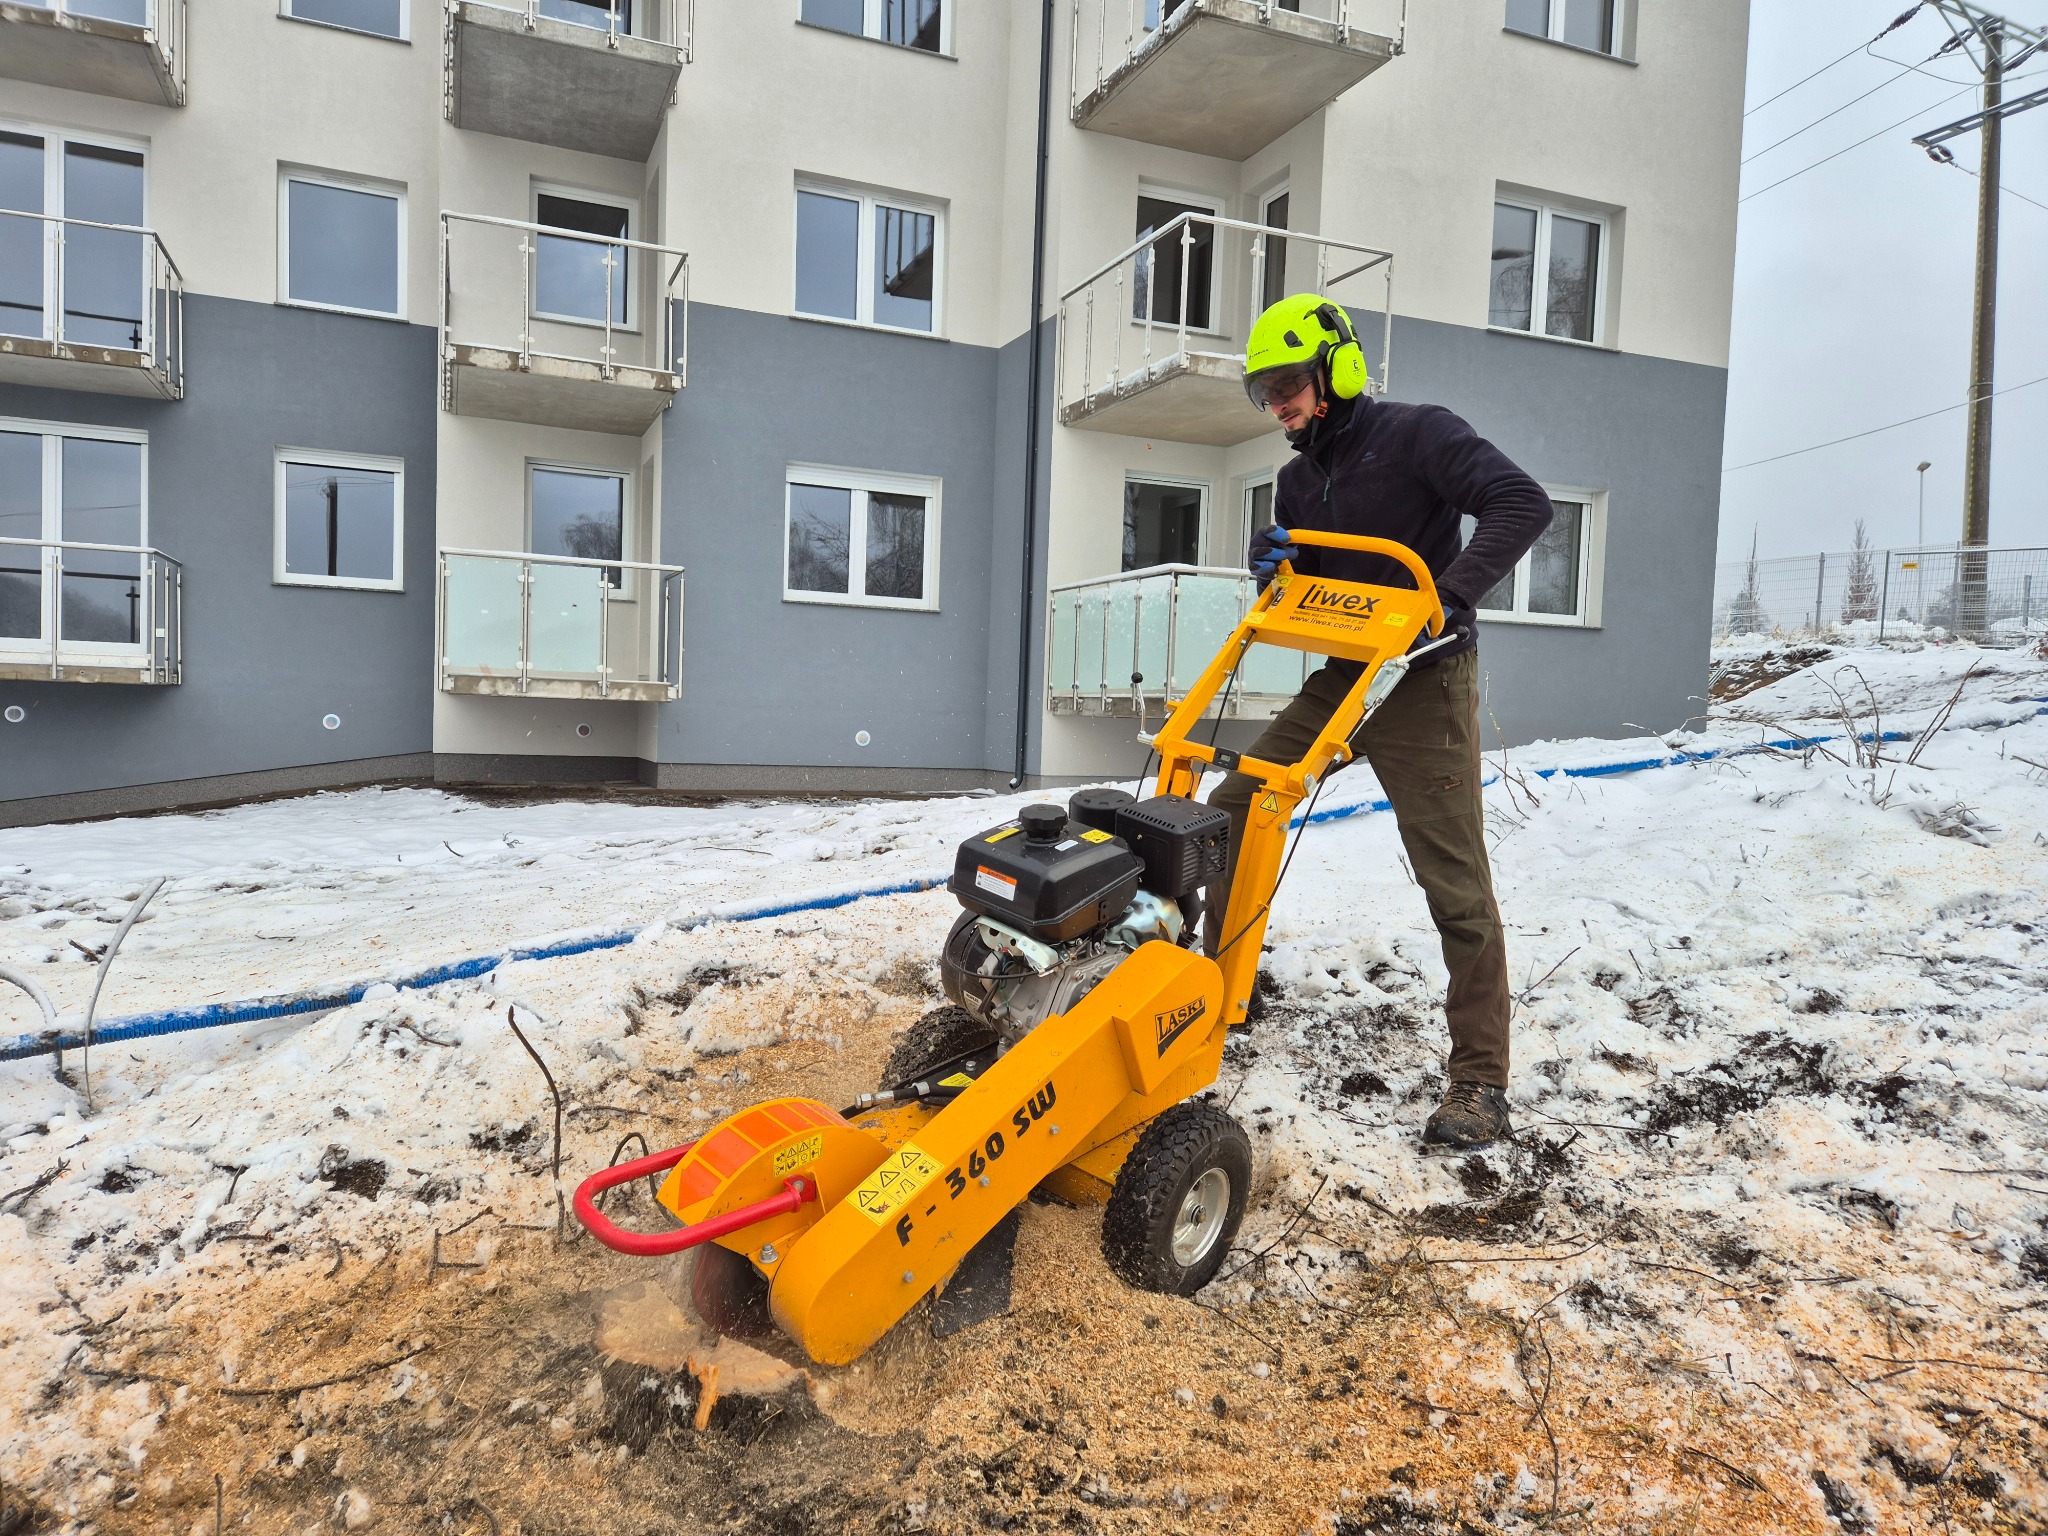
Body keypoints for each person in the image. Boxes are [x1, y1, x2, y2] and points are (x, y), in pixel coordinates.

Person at [1205, 293, 1554, 1151]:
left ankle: (1479, 1084)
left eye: (1287, 383)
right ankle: (1217, 993)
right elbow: (1313, 583)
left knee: (1455, 884)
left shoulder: (1418, 435)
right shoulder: (1295, 477)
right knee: (1235, 805)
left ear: (1336, 371)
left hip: (1426, 682)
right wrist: (1275, 567)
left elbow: (1522, 502)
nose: (1277, 403)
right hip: (1345, 677)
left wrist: (1452, 594)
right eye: (1262, 391)